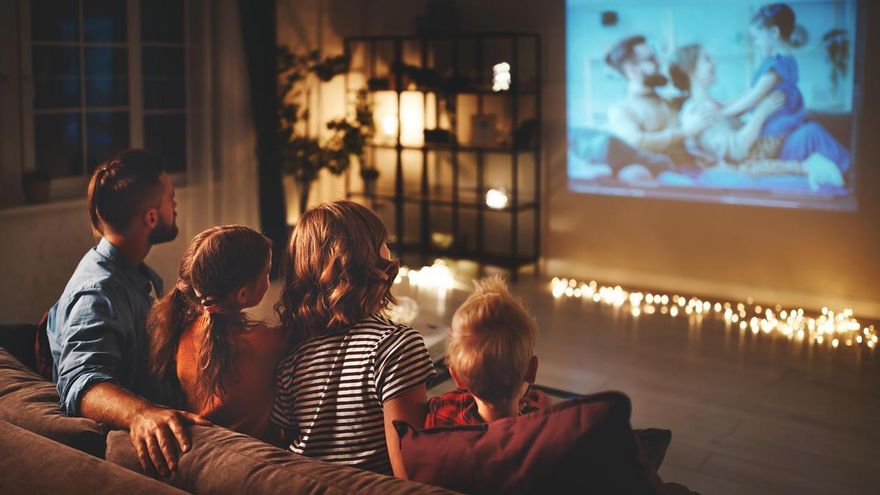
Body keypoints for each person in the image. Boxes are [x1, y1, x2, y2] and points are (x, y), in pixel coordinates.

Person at [47, 149, 210, 477]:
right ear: (151, 217)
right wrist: (140, 414)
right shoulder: (96, 292)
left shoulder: (133, 273)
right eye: (171, 198)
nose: (174, 206)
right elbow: (81, 381)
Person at [271, 200, 436, 478]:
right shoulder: (396, 347)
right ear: (367, 259)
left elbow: (281, 443)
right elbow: (408, 472)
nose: (389, 250)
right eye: (382, 241)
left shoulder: (292, 356)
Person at [148, 225, 285, 443]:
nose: (269, 279)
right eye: (267, 273)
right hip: (252, 452)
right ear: (242, 294)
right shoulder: (267, 343)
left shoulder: (182, 332)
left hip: (206, 446)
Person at [670, 43, 844, 190]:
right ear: (690, 71)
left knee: (810, 129)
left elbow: (745, 100)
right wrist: (762, 112)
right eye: (707, 59)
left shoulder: (714, 103)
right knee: (811, 133)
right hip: (752, 162)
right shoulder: (697, 111)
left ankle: (851, 175)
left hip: (761, 152)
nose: (714, 62)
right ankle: (853, 179)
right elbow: (736, 151)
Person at [722, 3, 850, 173]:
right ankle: (849, 167)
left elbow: (753, 97)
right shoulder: (787, 61)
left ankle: (850, 168)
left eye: (758, 38)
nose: (756, 43)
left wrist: (723, 112)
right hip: (783, 132)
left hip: (774, 135)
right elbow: (748, 95)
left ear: (774, 33)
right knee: (813, 132)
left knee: (811, 132)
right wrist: (723, 104)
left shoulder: (776, 66)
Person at [425, 276, 552, 427]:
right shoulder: (540, 428)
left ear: (457, 377)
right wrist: (548, 414)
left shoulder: (441, 413)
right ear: (532, 370)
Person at [605, 35, 714, 172]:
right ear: (632, 70)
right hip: (665, 179)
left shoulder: (670, 101)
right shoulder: (621, 110)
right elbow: (636, 142)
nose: (659, 62)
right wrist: (686, 132)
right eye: (651, 59)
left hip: (694, 170)